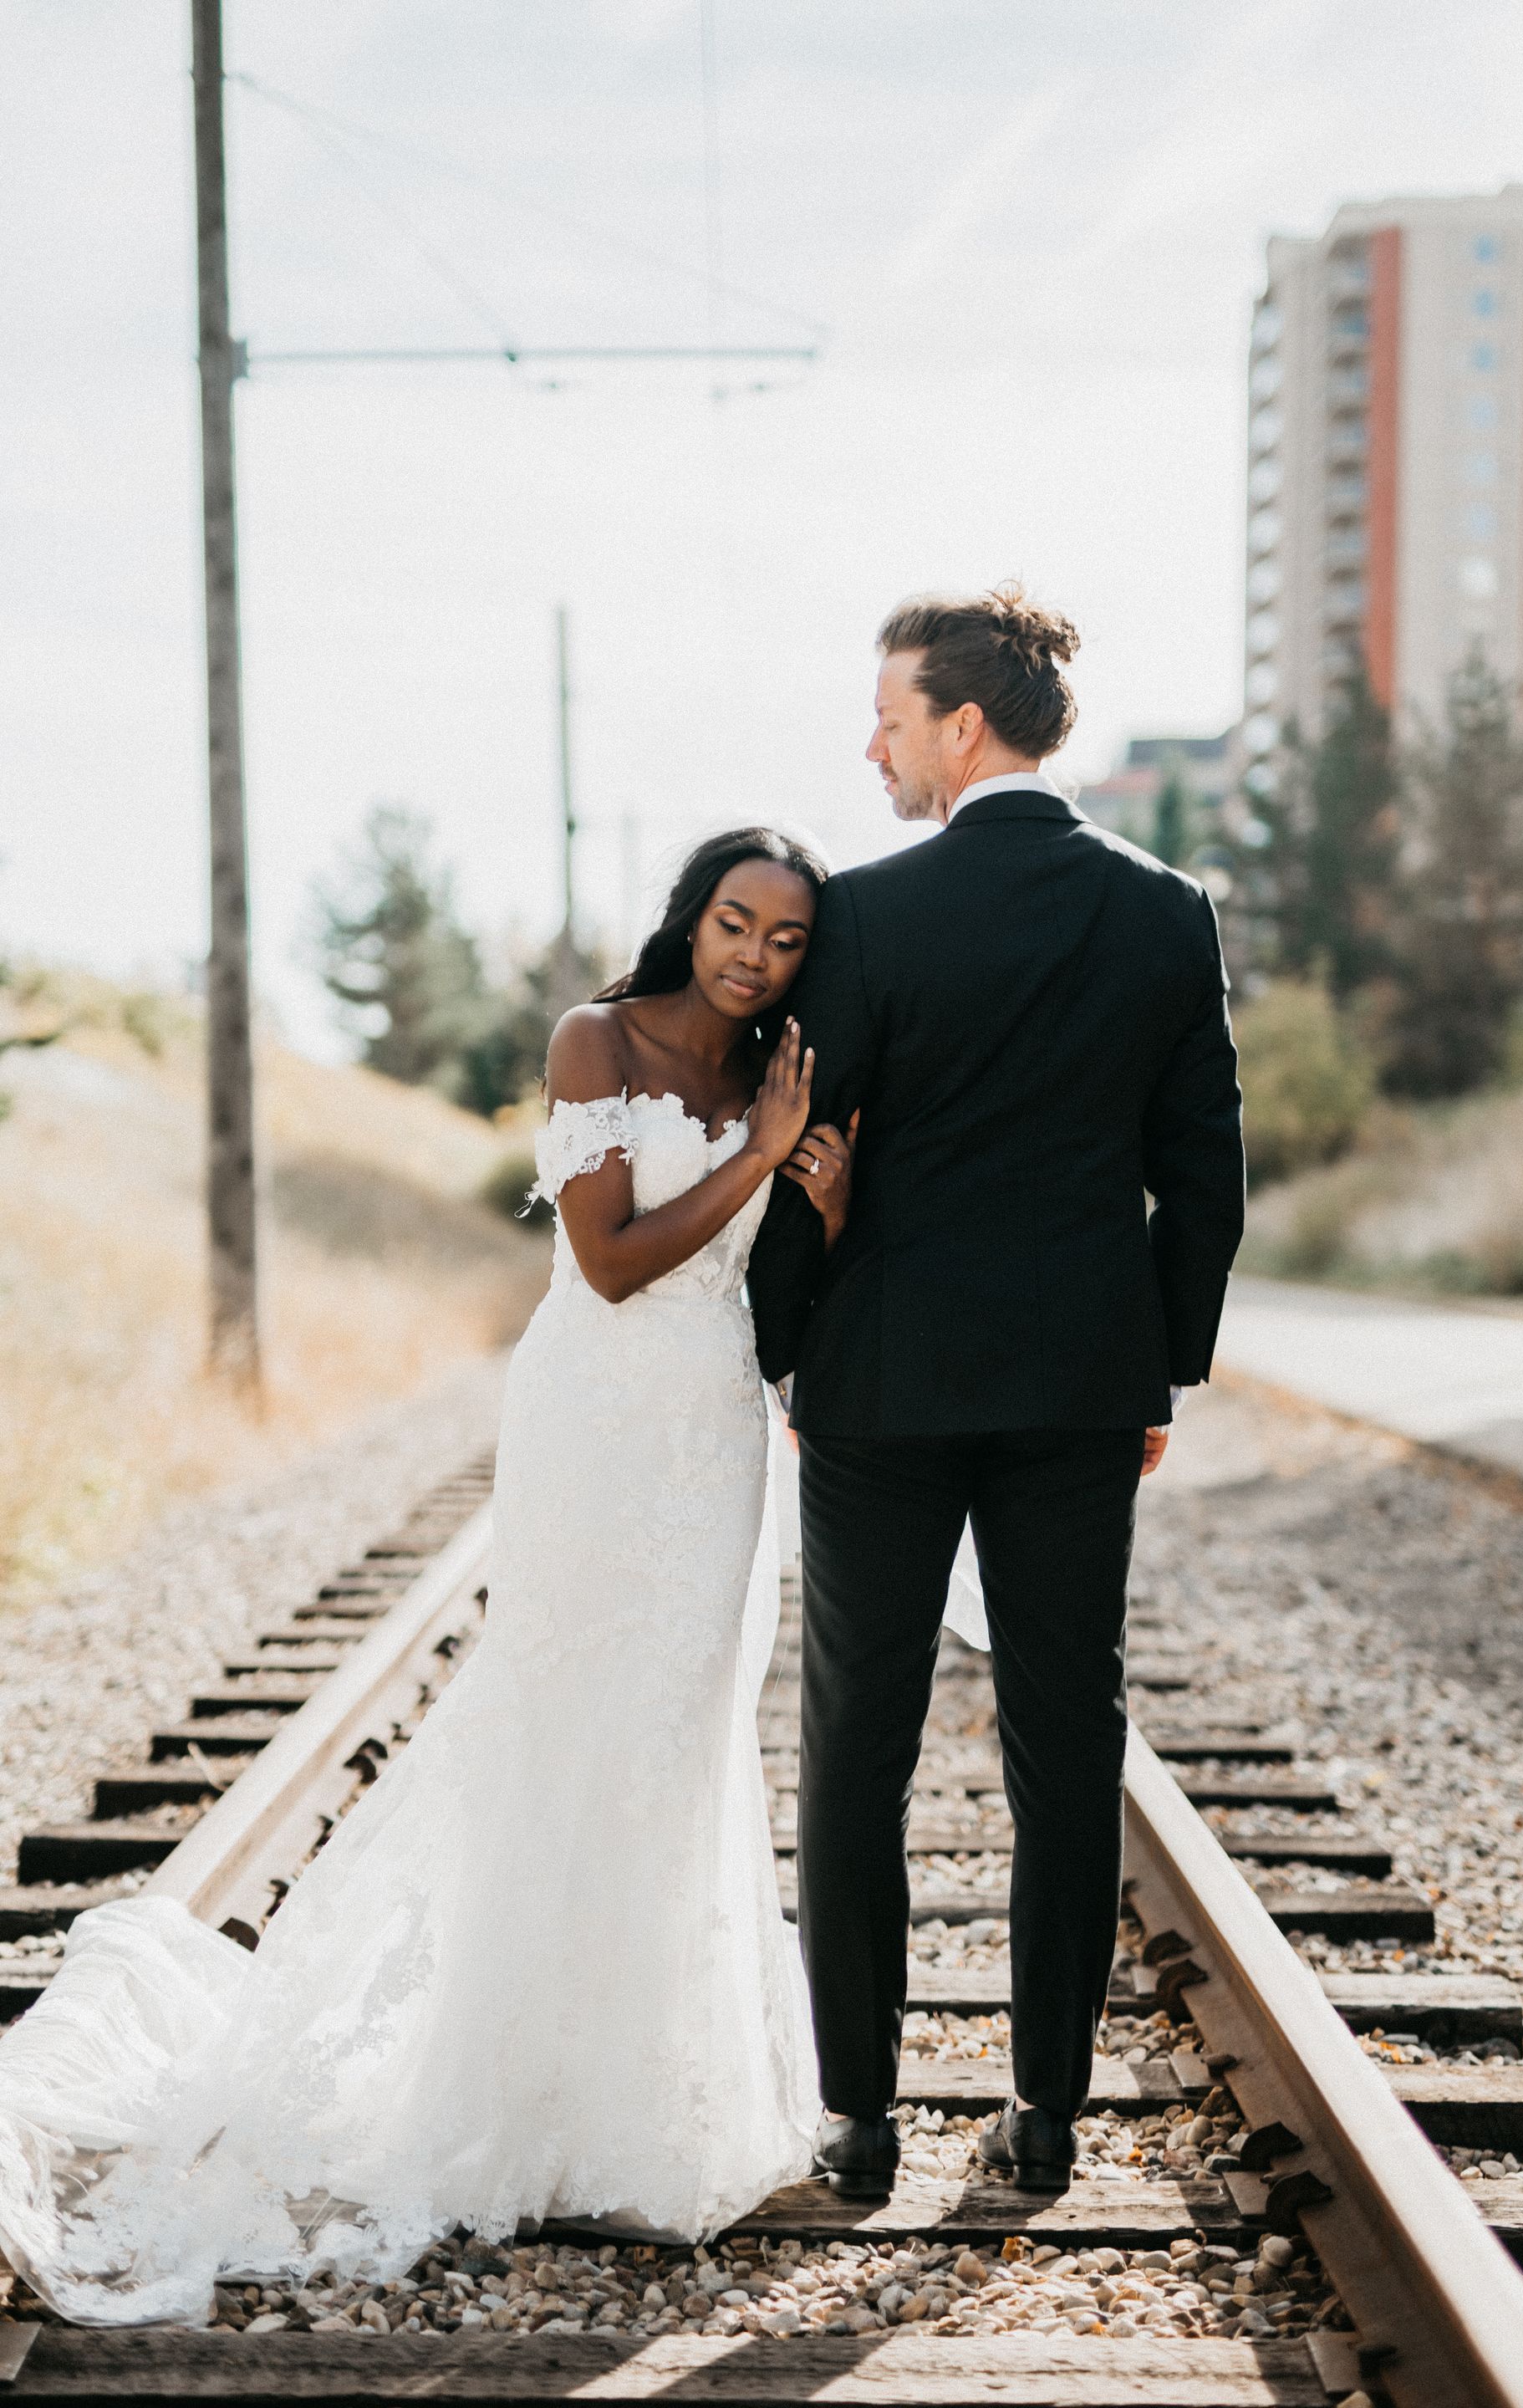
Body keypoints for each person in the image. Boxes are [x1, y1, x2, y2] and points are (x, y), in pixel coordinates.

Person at [0, 827, 852, 2326]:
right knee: (564, 1717)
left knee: (679, 1738)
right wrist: (766, 1163)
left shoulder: (780, 1065)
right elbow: (608, 1258)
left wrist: (822, 1202)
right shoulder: (599, 1040)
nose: (753, 957)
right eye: (736, 922)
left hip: (714, 1436)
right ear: (691, 916)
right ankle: (511, 2083)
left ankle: (642, 2097)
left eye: (785, 940)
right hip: (593, 1422)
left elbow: (772, 1285)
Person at [746, 585, 1245, 2199]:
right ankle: (1044, 2118)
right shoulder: (1170, 911)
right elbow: (1206, 1182)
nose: (873, 742)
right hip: (1081, 1390)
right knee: (1064, 1736)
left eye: (889, 712)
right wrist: (1156, 1367)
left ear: (962, 727)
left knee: (856, 1743)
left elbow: (807, 1156)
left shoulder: (868, 916)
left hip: (882, 1388)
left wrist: (793, 1343)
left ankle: (862, 2118)